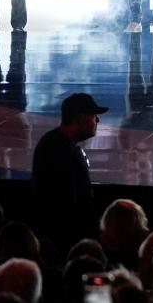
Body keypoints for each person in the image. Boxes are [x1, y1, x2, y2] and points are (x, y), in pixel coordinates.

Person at [31, 93, 108, 249]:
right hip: (65, 242)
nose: (97, 120)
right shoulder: (57, 150)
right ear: (79, 119)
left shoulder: (58, 145)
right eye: (93, 116)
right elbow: (65, 203)